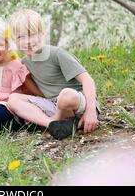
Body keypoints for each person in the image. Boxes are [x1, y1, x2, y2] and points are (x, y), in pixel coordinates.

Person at [7, 9, 101, 140]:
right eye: (21, 37)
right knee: (13, 99)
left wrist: (91, 111)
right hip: (53, 105)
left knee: (65, 95)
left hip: (77, 102)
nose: (27, 41)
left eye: (32, 35)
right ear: (14, 40)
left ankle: (59, 119)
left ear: (42, 34)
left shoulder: (56, 54)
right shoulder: (24, 63)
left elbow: (87, 80)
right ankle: (53, 124)